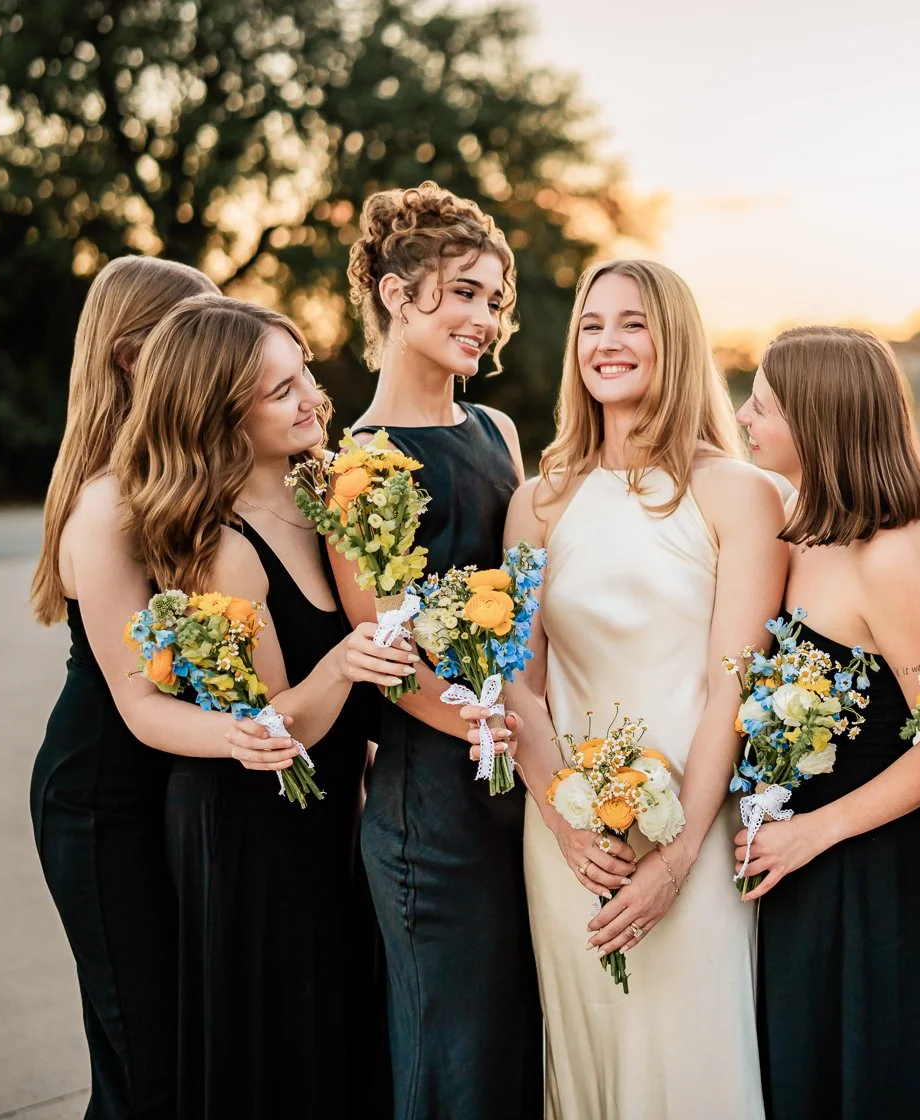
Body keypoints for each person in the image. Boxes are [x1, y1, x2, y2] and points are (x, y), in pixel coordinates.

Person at [468, 259, 782, 1118]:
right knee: (589, 1059)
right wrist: (569, 828)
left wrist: (678, 860)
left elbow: (734, 690)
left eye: (633, 323)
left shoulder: (739, 494)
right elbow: (518, 687)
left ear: (673, 338)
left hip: (699, 836)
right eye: (592, 324)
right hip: (568, 840)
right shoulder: (538, 503)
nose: (608, 342)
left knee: (694, 1059)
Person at [111, 294, 410, 1118]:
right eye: (282, 391)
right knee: (283, 1052)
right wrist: (349, 665)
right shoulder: (223, 549)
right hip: (253, 830)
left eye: (305, 371)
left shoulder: (321, 499)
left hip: (324, 826)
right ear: (221, 414)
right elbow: (281, 726)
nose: (313, 395)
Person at [731, 325, 920, 1119]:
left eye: (761, 405)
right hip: (802, 871)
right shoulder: (800, 529)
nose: (742, 417)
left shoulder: (891, 556)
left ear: (818, 420)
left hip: (875, 883)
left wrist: (812, 832)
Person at [336, 182, 540, 1119]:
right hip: (433, 802)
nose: (483, 319)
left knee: (514, 1040)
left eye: (494, 300)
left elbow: (532, 591)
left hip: (519, 781)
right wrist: (493, 730)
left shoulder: (496, 430)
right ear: (394, 292)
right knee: (448, 1049)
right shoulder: (355, 462)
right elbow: (390, 654)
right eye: (462, 292)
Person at [29, 255, 218, 1120]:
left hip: (166, 790)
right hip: (103, 801)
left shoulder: (174, 475)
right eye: (198, 336)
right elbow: (145, 696)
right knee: (146, 1064)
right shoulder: (108, 506)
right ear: (137, 357)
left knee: (173, 1048)